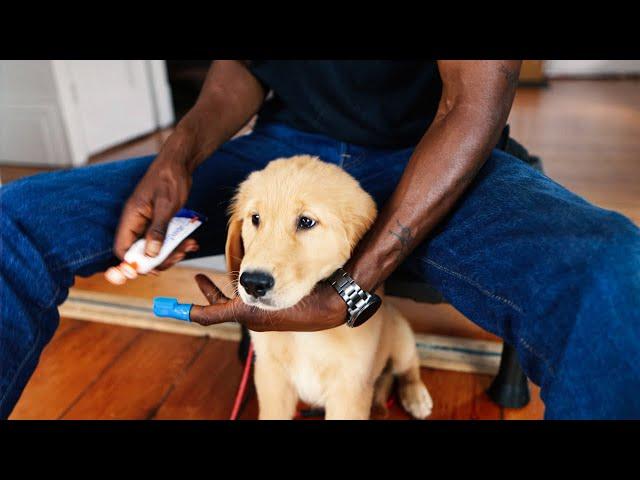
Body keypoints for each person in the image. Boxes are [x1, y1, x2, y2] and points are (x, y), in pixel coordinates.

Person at [1, 60, 639, 419]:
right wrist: (177, 155)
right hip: (285, 149)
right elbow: (240, 71)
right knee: (14, 216)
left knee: (611, 274)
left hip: (433, 146)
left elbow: (474, 99)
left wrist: (356, 288)